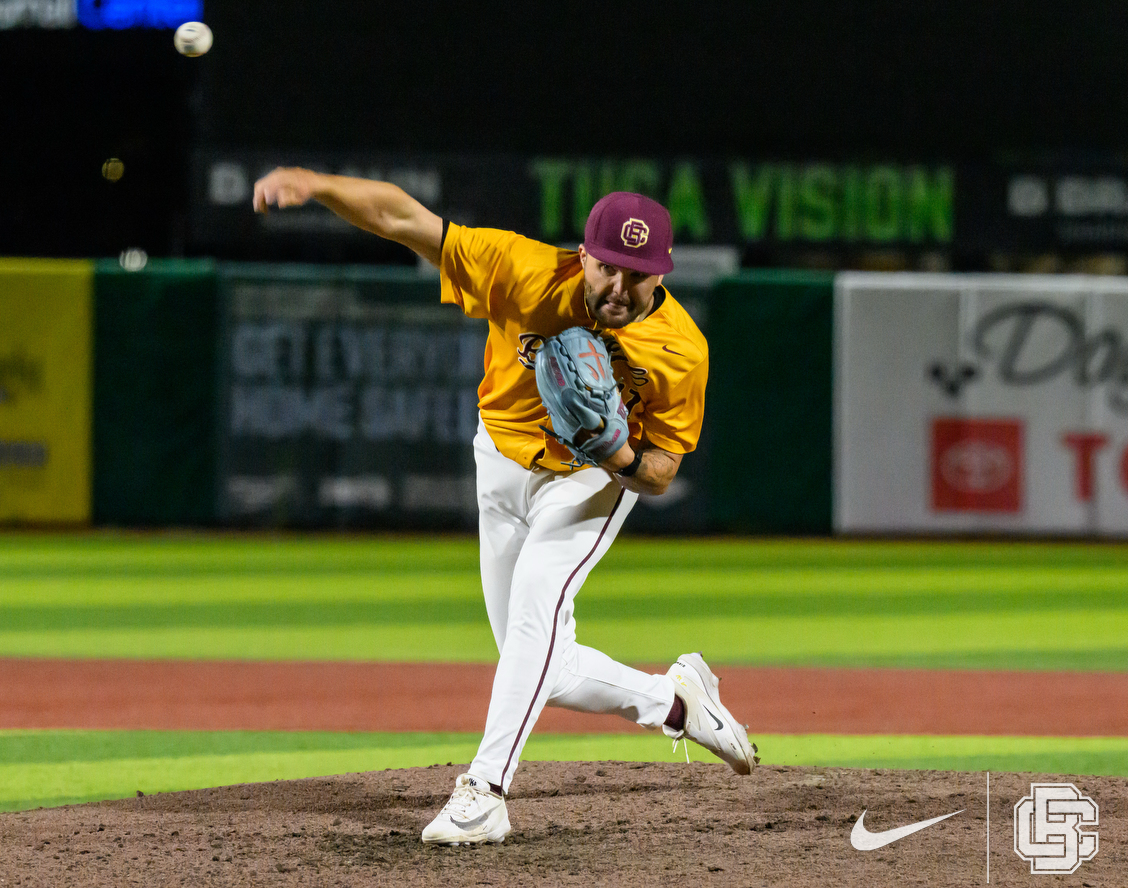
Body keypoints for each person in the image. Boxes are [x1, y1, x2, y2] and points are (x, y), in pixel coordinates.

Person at [253, 168, 758, 846]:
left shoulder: (680, 350)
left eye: (637, 275)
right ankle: (675, 703)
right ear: (584, 255)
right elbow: (405, 219)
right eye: (608, 267)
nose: (618, 287)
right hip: (498, 460)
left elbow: (662, 471)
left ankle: (485, 792)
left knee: (533, 622)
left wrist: (614, 454)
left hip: (587, 482)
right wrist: (315, 186)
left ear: (661, 274)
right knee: (541, 665)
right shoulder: (521, 270)